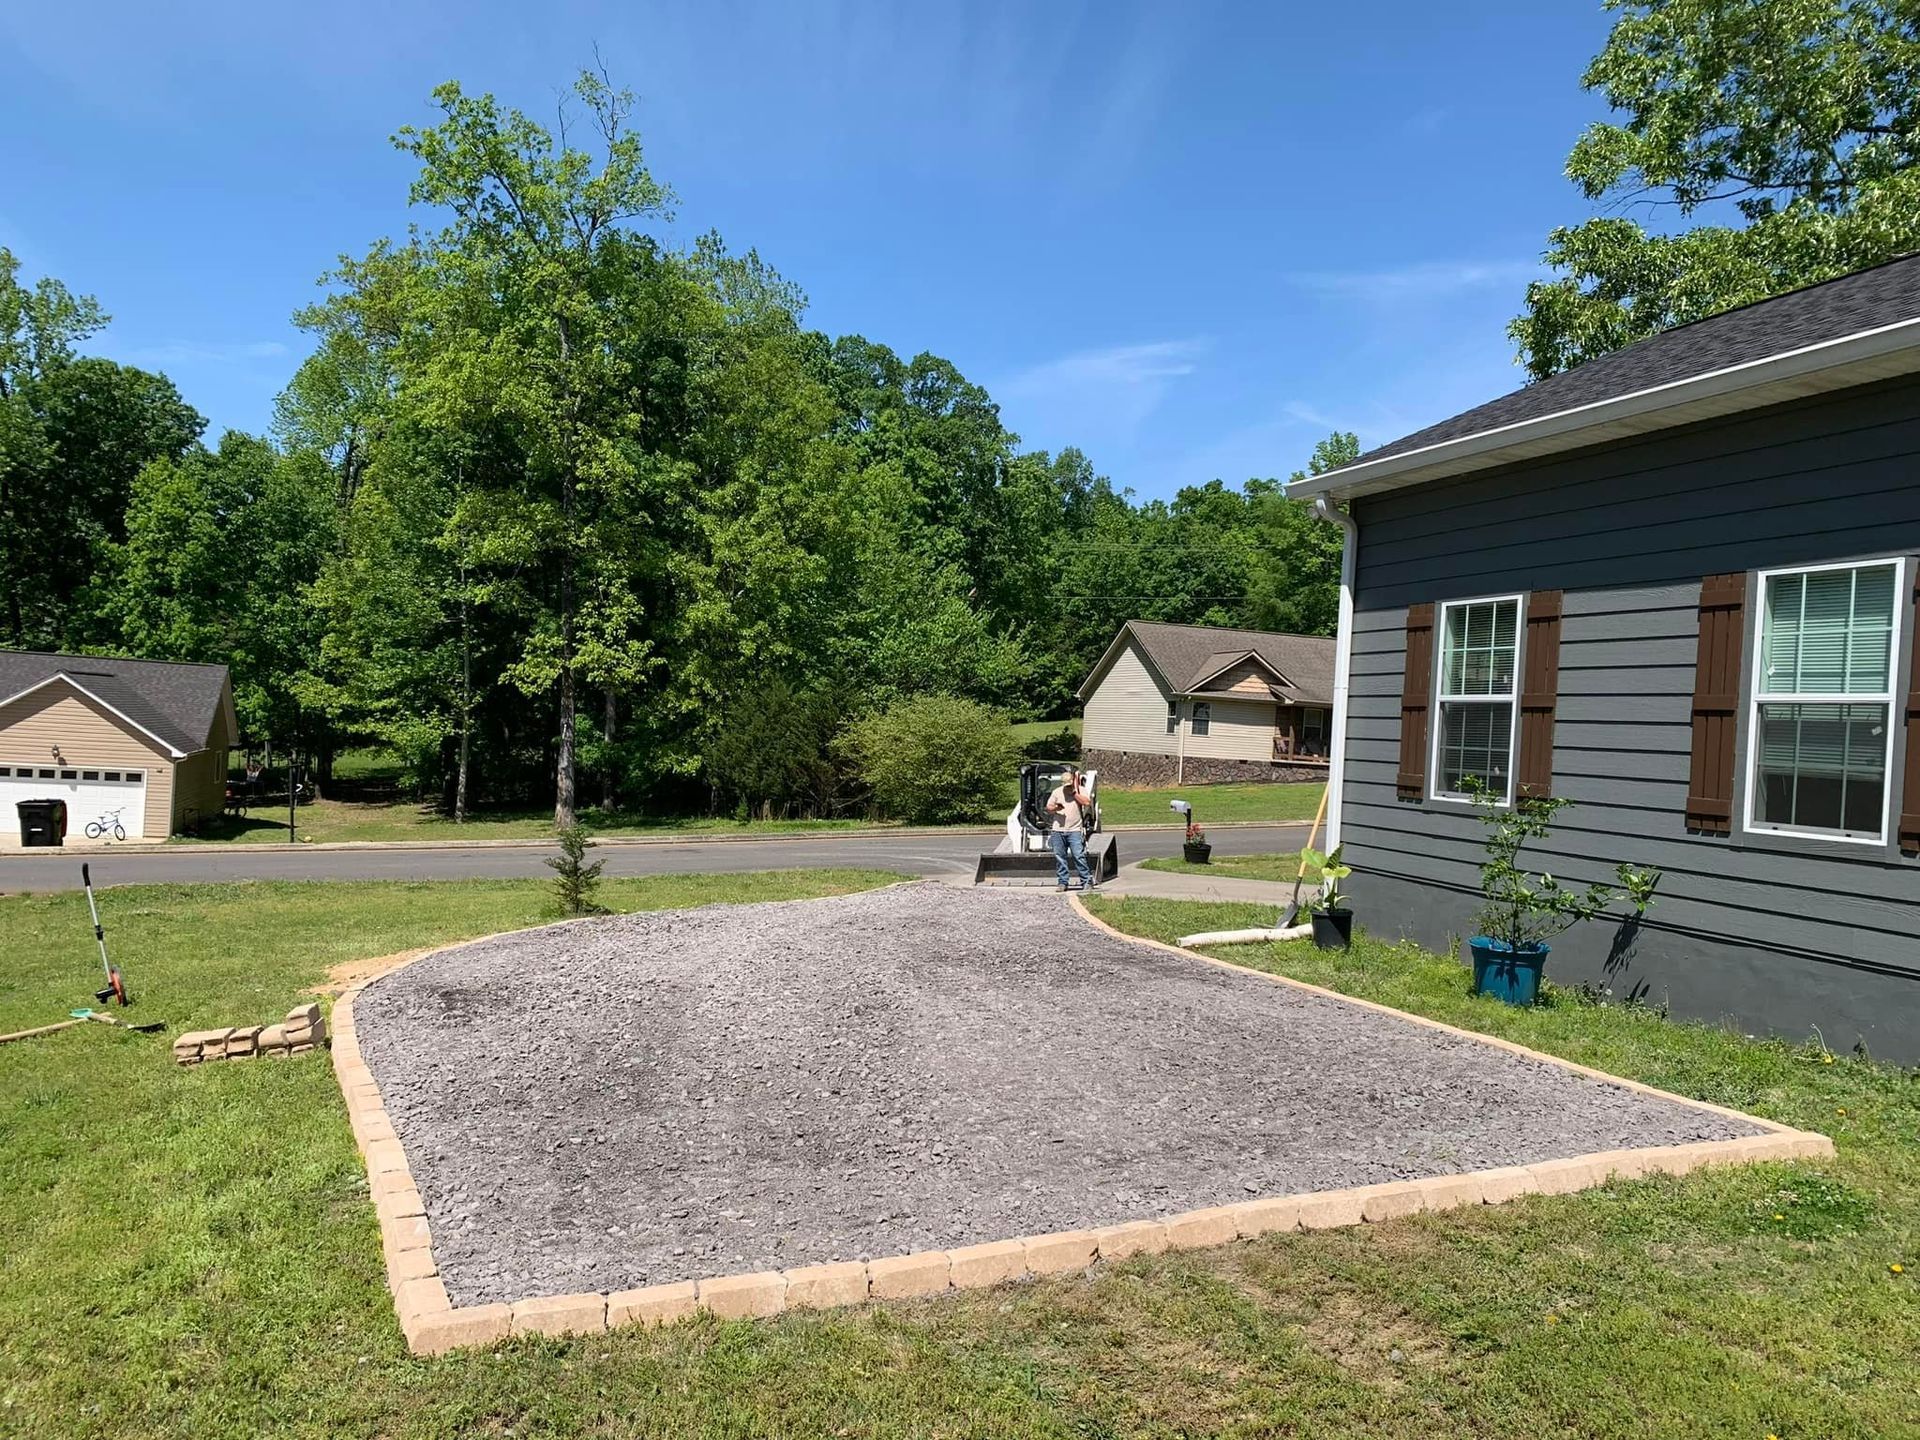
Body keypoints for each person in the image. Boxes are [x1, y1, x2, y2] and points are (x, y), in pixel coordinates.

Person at [1045, 766, 1093, 891]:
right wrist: (1056, 808)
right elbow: (1048, 808)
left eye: (1069, 784)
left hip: (1075, 830)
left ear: (1073, 782)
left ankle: (1087, 881)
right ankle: (1063, 882)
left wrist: (1074, 793)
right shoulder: (1056, 792)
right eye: (1065, 785)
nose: (1067, 787)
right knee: (1060, 857)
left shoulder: (1080, 790)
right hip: (1058, 830)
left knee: (1078, 855)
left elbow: (1086, 802)